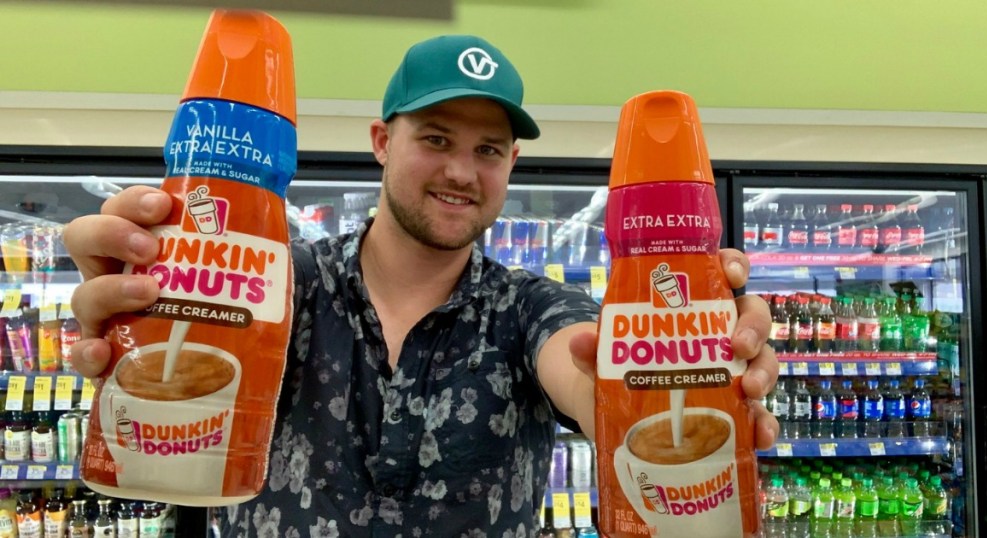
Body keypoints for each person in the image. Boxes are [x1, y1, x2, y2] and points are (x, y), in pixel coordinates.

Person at [63, 34, 779, 536]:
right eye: (436, 138)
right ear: (382, 141)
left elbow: (589, 372)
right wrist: (129, 287)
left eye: (488, 150)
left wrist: (679, 369)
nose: (462, 173)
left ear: (512, 164)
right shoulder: (286, 284)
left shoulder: (530, 308)